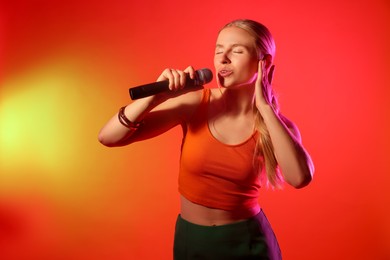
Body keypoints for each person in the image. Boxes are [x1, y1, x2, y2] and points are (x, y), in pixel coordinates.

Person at [98, 19, 314, 260]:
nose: (223, 59)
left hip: (248, 244)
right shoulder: (195, 103)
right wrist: (154, 99)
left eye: (237, 51)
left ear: (264, 63)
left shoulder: (275, 125)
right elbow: (108, 137)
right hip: (192, 242)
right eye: (219, 50)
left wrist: (264, 107)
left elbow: (299, 178)